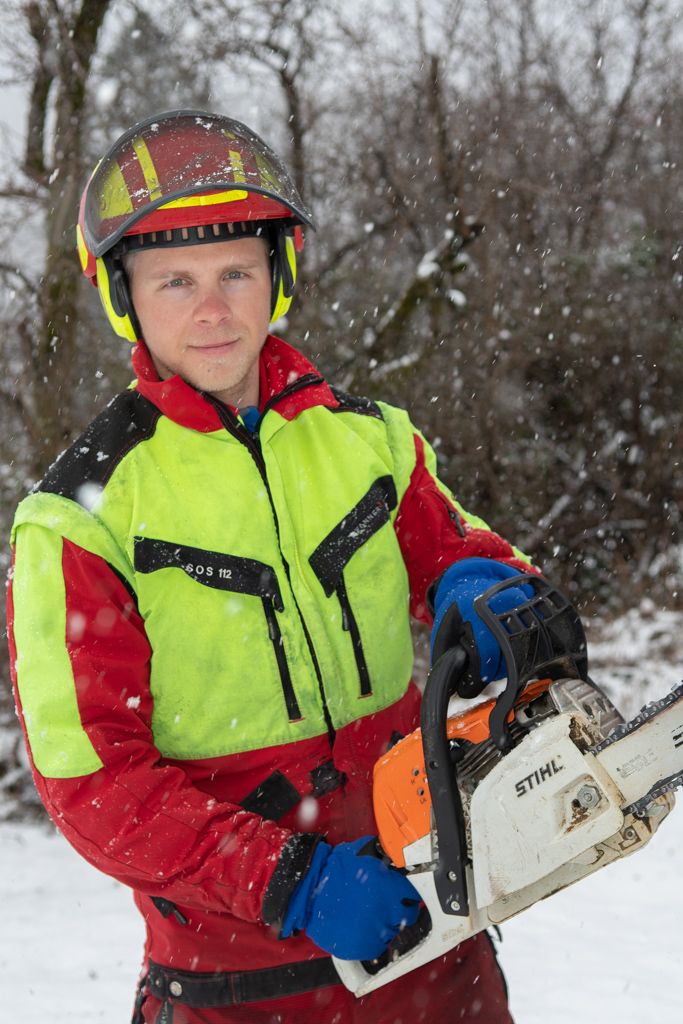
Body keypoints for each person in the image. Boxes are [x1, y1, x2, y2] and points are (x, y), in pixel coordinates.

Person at [8, 109, 537, 1024]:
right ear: (124, 296)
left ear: (277, 275)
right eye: (175, 280)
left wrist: (486, 589)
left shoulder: (367, 440)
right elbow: (90, 780)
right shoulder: (75, 519)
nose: (212, 308)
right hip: (235, 980)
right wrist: (283, 876)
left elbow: (461, 547)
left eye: (235, 273)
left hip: (436, 947)